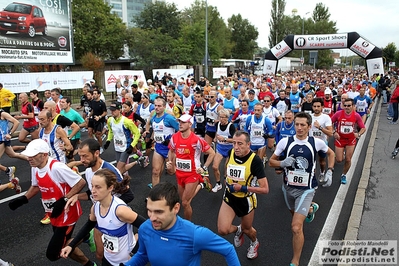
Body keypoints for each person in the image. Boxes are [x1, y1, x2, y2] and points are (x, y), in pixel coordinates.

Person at [8, 139, 95, 266]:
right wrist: (24, 199)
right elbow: (36, 186)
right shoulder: (35, 167)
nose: (29, 158)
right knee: (64, 246)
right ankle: (89, 260)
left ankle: (86, 237)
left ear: (44, 155)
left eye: (33, 156)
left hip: (66, 214)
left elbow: (80, 182)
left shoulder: (56, 167)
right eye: (28, 156)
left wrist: (64, 199)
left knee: (53, 253)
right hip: (53, 213)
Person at [269, 112, 335, 266]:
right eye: (297, 124)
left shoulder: (316, 142)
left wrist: (330, 171)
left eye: (302, 125)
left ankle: (295, 261)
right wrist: (282, 163)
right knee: (294, 215)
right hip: (288, 188)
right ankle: (310, 209)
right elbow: (271, 162)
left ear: (309, 126)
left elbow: (331, 154)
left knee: (296, 227)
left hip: (307, 189)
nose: (299, 128)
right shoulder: (285, 142)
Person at [122, 182, 240, 266]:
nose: (151, 217)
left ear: (176, 208)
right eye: (149, 210)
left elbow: (228, 250)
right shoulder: (145, 229)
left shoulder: (195, 234)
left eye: (159, 212)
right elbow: (143, 255)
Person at [66, 138, 135, 261]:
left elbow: (129, 195)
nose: (81, 160)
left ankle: (135, 239)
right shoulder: (88, 171)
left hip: (115, 220)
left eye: (85, 156)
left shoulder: (110, 171)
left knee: (117, 256)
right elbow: (91, 194)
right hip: (99, 217)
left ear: (96, 153)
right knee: (100, 255)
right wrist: (77, 196)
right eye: (80, 156)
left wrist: (111, 209)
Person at [61, 169, 146, 266]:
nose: (93, 191)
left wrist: (136, 253)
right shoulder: (95, 207)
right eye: (92, 186)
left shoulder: (120, 210)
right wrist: (71, 246)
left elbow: (148, 226)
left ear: (110, 188)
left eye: (98, 187)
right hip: (108, 260)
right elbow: (89, 225)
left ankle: (135, 239)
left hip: (126, 262)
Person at [216, 130, 269, 260]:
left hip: (246, 200)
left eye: (240, 144)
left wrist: (243, 188)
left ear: (248, 144)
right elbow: (228, 166)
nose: (236, 147)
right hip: (230, 196)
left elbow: (265, 189)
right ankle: (237, 230)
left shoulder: (255, 161)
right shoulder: (231, 152)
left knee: (248, 230)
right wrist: (226, 178)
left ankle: (254, 242)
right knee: (222, 230)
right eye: (234, 143)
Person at [166, 114, 215, 220]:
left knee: (185, 203)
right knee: (183, 199)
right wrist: (170, 162)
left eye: (183, 122)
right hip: (180, 173)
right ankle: (202, 184)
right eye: (179, 122)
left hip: (192, 174)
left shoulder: (196, 140)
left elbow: (211, 153)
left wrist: (204, 168)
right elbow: (171, 150)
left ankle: (188, 226)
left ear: (190, 124)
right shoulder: (174, 137)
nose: (180, 124)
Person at [144, 97, 179, 188]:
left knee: (171, 172)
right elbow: (150, 125)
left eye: (159, 106)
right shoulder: (153, 118)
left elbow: (181, 130)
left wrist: (172, 139)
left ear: (164, 107)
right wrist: (148, 133)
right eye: (155, 106)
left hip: (169, 149)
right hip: (158, 147)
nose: (157, 108)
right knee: (155, 171)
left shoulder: (169, 118)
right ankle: (154, 194)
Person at [104, 102, 146, 175]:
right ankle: (137, 162)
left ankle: (123, 183)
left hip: (126, 148)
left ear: (119, 110)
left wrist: (132, 145)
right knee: (122, 169)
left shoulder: (126, 121)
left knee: (118, 170)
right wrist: (108, 141)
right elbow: (111, 131)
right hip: (117, 147)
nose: (112, 112)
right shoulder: (110, 120)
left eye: (114, 110)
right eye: (111, 110)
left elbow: (137, 133)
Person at [331, 98, 366, 184]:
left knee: (348, 159)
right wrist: (334, 131)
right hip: (340, 139)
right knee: (339, 160)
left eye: (349, 105)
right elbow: (329, 123)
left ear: (353, 106)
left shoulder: (356, 115)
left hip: (350, 140)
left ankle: (344, 175)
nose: (346, 107)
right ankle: (341, 154)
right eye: (345, 105)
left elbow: (363, 128)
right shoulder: (338, 114)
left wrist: (358, 134)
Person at [309, 98, 333, 185]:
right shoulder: (309, 117)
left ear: (322, 107)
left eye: (318, 106)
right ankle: (311, 179)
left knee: (322, 161)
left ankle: (322, 172)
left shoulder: (326, 117)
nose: (316, 108)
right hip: (311, 143)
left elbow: (330, 133)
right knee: (311, 162)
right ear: (312, 107)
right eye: (314, 106)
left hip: (322, 143)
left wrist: (320, 127)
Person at [211, 109, 236, 192]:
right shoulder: (217, 124)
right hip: (220, 148)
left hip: (229, 149)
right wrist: (215, 138)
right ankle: (218, 184)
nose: (221, 119)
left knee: (227, 168)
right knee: (214, 167)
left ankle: (227, 182)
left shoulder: (231, 126)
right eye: (220, 117)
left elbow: (234, 140)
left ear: (227, 118)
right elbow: (217, 132)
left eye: (223, 117)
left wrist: (224, 139)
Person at [60, 97, 86, 161]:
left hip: (73, 136)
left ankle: (74, 169)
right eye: (60, 102)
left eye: (63, 102)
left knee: (69, 156)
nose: (61, 103)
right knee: (67, 154)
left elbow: (84, 123)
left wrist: (76, 126)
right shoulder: (61, 112)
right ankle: (77, 150)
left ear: (68, 104)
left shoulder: (74, 114)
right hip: (65, 135)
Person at [88, 89, 107, 153]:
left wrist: (99, 117)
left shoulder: (102, 103)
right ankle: (93, 146)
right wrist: (89, 116)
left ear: (99, 95)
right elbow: (93, 110)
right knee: (89, 132)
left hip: (100, 120)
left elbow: (105, 112)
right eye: (93, 94)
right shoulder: (92, 101)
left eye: (95, 94)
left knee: (97, 135)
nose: (94, 95)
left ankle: (100, 147)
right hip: (93, 119)